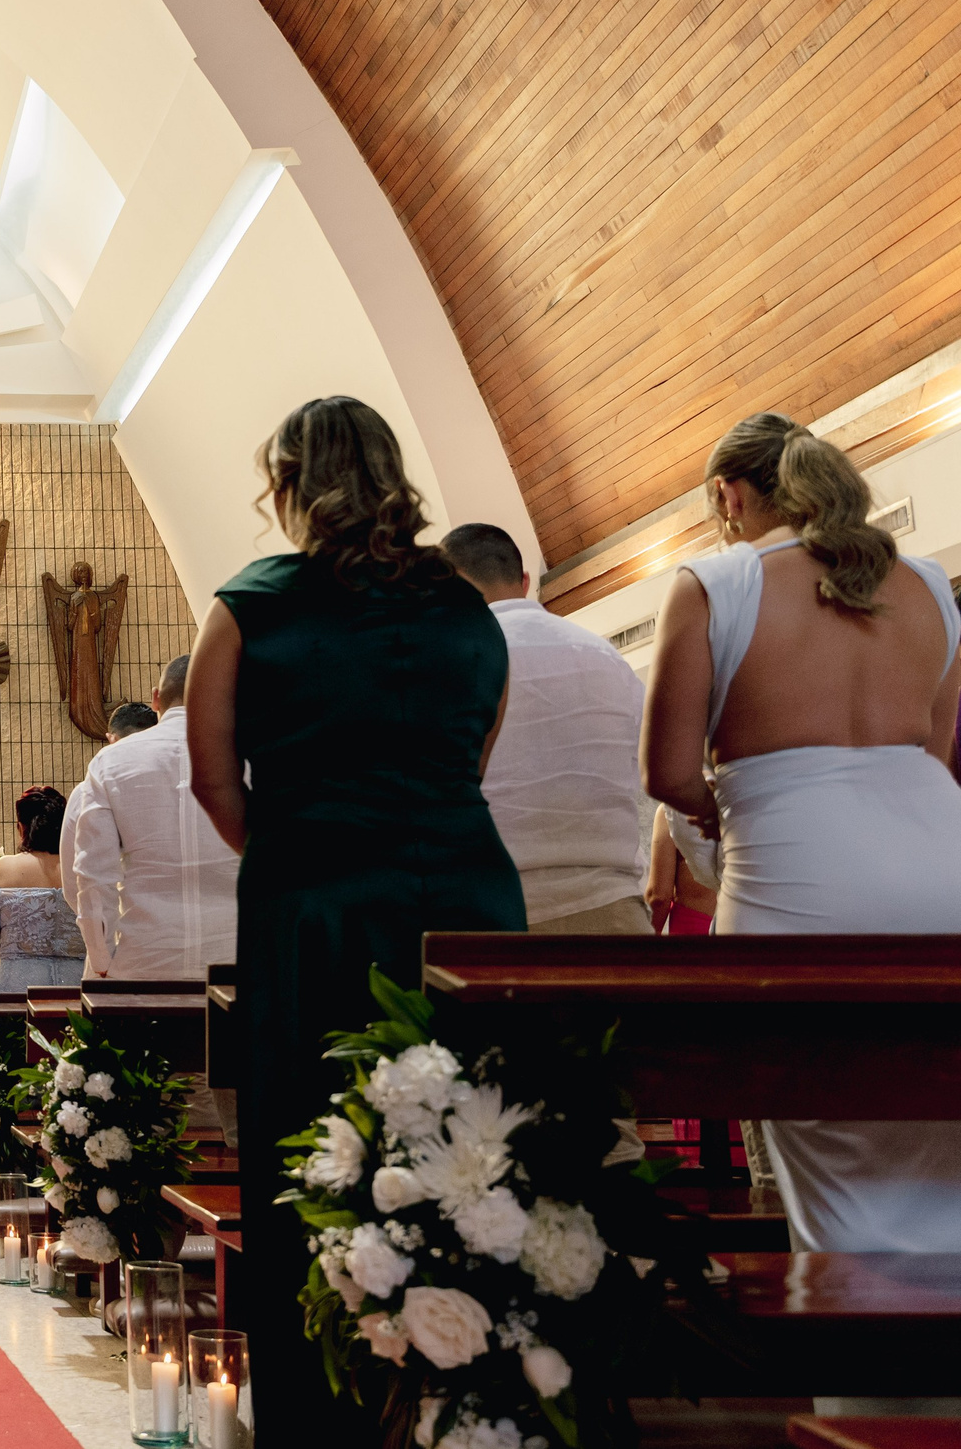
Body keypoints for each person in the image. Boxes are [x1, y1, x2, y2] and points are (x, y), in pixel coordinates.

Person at [185, 396, 524, 1444]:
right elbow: (471, 760)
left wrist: (301, 850)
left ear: (288, 482)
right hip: (463, 898)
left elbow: (210, 777)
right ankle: (464, 1397)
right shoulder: (465, 608)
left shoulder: (249, 605)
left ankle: (316, 1416)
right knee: (467, 1143)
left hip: (314, 907)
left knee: (307, 1143)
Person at [641, 412, 961, 1256]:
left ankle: (863, 1377)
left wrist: (726, 815)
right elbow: (934, 754)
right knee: (945, 1147)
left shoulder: (715, 584)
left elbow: (667, 773)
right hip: (943, 875)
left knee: (829, 1164)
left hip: (801, 881)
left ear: (728, 493)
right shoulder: (928, 583)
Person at [443, 522, 651, 932]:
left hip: (496, 914)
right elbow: (655, 772)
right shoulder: (606, 657)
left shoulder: (447, 667)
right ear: (525, 581)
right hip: (612, 912)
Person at [67, 655, 240, 981]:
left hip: (145, 962)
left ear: (156, 698)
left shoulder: (109, 762)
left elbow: (93, 876)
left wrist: (101, 959)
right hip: (236, 964)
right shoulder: (251, 757)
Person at [0, 788, 86, 992]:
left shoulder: (4, 867)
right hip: (78, 983)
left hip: (18, 983)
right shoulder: (82, 868)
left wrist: (17, 957)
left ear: (21, 827)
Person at [644, 804, 718, 935]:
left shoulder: (673, 811)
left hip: (691, 933)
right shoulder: (755, 811)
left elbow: (658, 896)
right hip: (745, 928)